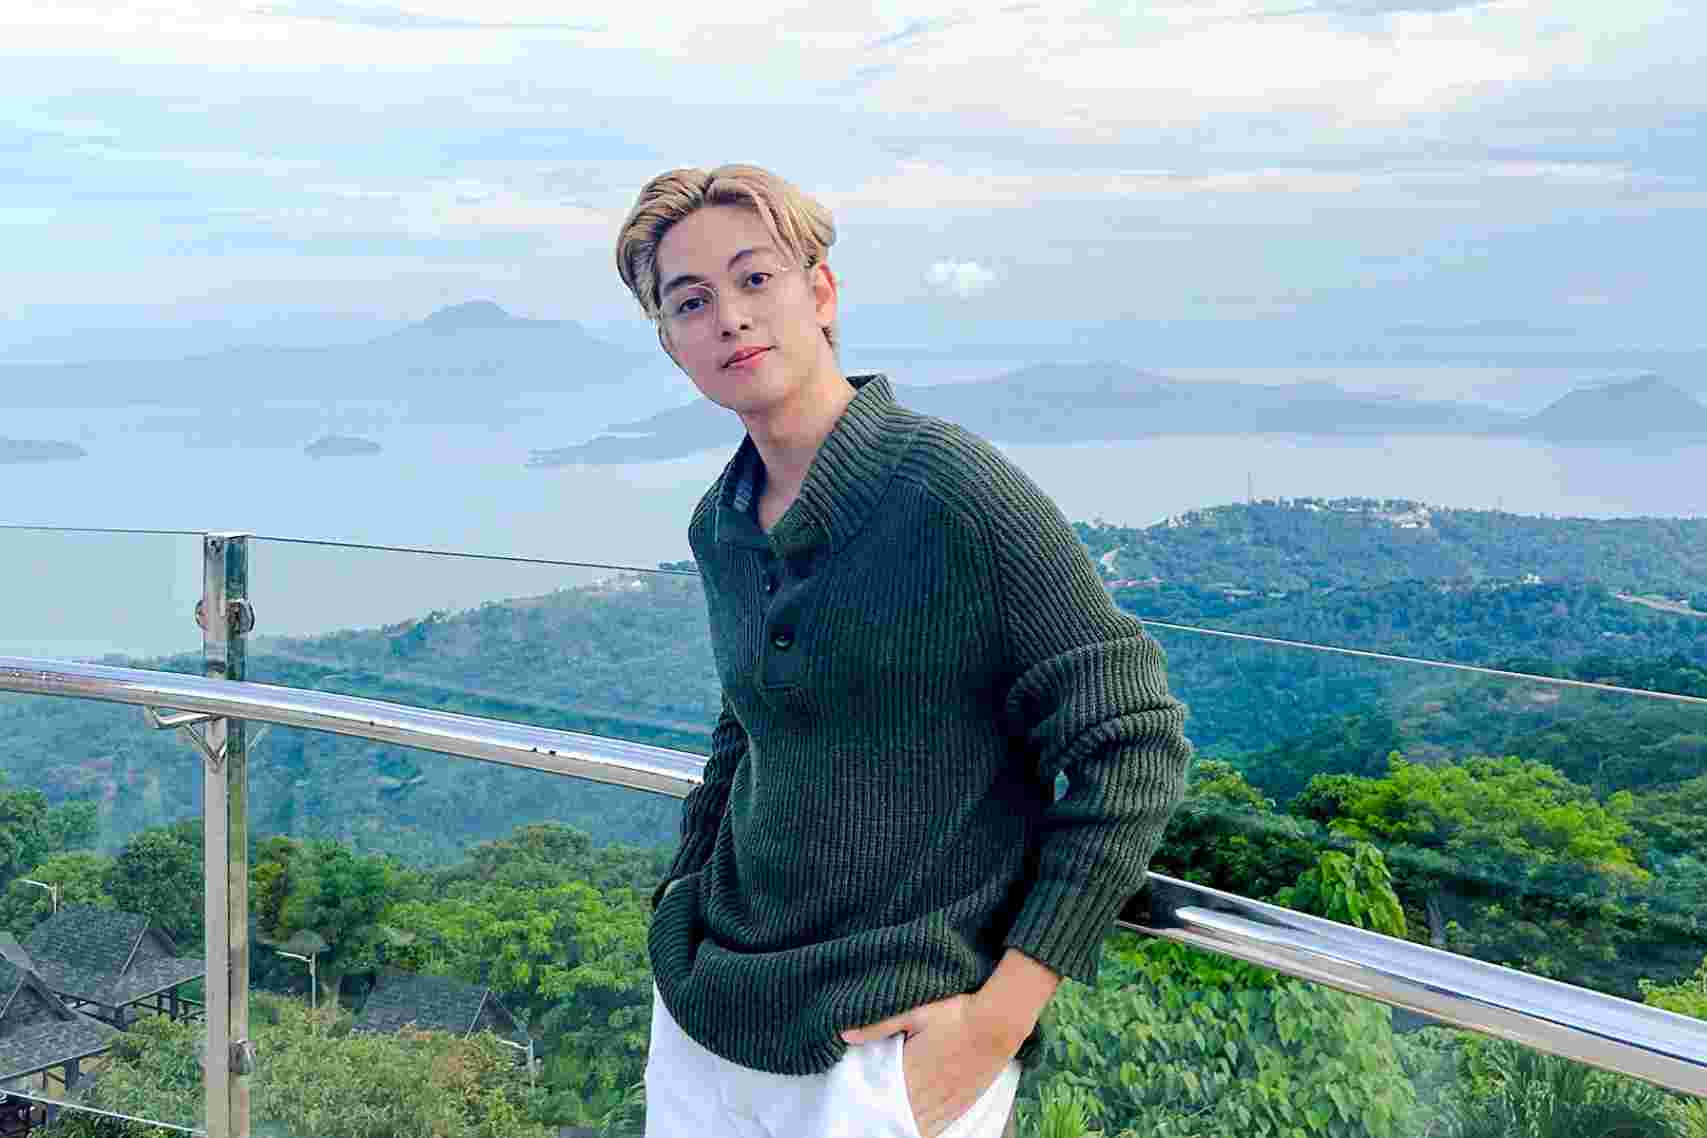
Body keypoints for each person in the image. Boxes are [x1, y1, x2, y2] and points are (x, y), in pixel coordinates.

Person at [614, 164, 1194, 1138]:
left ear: (822, 292)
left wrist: (1002, 1017)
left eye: (756, 279)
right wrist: (682, 887)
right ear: (672, 343)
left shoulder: (952, 493)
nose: (731, 317)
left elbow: (1133, 742)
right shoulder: (723, 522)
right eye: (692, 300)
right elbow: (744, 726)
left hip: (886, 1056)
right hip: (707, 1026)